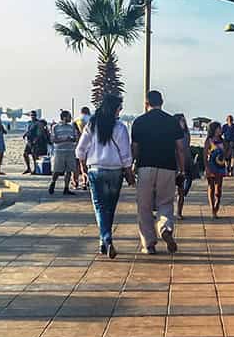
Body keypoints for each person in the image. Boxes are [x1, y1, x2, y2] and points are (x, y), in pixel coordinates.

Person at [130, 91, 187, 254]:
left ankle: (148, 244)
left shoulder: (139, 122)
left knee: (144, 206)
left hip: (145, 167)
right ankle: (165, 228)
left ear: (146, 102)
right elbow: (180, 148)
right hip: (167, 167)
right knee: (166, 203)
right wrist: (181, 169)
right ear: (162, 102)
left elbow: (135, 148)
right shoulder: (172, 121)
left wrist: (131, 165)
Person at [76, 95, 132, 258]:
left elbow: (80, 150)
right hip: (115, 171)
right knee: (110, 207)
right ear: (113, 109)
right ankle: (105, 239)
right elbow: (125, 154)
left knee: (100, 206)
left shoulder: (92, 125)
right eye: (119, 108)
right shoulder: (120, 128)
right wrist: (129, 173)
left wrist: (82, 167)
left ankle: (105, 238)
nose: (120, 111)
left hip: (96, 170)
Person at [47, 110, 80, 195]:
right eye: (69, 116)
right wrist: (64, 139)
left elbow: (76, 138)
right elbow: (53, 139)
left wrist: (72, 139)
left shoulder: (71, 127)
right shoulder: (56, 127)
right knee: (57, 170)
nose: (70, 118)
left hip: (70, 151)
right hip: (59, 151)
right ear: (64, 117)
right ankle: (53, 182)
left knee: (69, 170)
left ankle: (66, 188)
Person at [203, 121, 227, 217]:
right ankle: (212, 208)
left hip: (220, 166)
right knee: (211, 187)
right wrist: (206, 167)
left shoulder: (222, 141)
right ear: (214, 130)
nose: (220, 130)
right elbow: (204, 155)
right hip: (211, 166)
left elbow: (226, 153)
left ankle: (217, 202)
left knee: (219, 188)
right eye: (219, 128)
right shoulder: (208, 140)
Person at [174, 113, 195, 220]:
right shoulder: (172, 134)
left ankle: (179, 212)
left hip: (186, 162)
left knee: (182, 189)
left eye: (183, 120)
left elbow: (186, 148)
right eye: (180, 120)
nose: (183, 122)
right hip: (174, 164)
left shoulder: (186, 133)